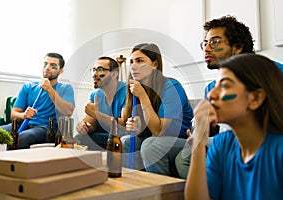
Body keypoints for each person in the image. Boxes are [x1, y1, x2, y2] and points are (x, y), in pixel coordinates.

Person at [175, 15, 283, 179]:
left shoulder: (271, 72)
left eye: (215, 42)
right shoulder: (211, 88)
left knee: (183, 159)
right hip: (226, 139)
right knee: (187, 153)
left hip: (267, 139)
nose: (207, 48)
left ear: (237, 47)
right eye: (205, 43)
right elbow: (215, 129)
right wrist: (201, 132)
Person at [185, 53, 283, 200]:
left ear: (255, 98)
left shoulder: (279, 150)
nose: (211, 94)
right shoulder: (221, 145)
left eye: (224, 85)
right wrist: (198, 141)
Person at [121, 43, 193, 172]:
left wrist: (143, 97)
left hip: (184, 140)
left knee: (151, 145)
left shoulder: (171, 86)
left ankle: (160, 191)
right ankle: (133, 185)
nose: (133, 66)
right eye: (131, 61)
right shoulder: (137, 88)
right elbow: (139, 129)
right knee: (125, 141)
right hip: (156, 138)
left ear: (155, 64)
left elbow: (158, 131)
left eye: (139, 61)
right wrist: (136, 126)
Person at [0, 52, 75, 150]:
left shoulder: (66, 88)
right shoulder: (28, 87)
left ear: (60, 70)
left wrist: (50, 90)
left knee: (21, 139)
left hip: (45, 128)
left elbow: (68, 112)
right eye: (45, 64)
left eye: (53, 66)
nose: (47, 68)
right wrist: (23, 115)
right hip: (22, 124)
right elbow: (13, 114)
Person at [75, 56, 126, 150]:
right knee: (79, 138)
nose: (95, 74)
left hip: (121, 137)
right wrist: (84, 127)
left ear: (114, 74)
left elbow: (123, 125)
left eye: (100, 70)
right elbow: (90, 123)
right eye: (94, 70)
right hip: (104, 136)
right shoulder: (95, 95)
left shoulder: (126, 92)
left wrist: (98, 115)